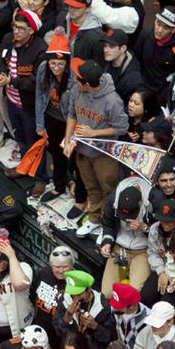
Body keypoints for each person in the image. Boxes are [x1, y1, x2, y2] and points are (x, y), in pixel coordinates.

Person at [63, 58, 128, 238]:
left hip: (104, 154)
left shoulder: (112, 100)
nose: (74, 81)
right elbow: (72, 114)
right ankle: (93, 219)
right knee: (91, 187)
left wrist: (93, 133)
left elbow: (122, 128)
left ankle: (107, 227)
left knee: (108, 189)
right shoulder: (77, 90)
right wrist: (68, 141)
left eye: (78, 79)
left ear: (87, 84)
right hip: (82, 150)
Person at [0, 10, 47, 153]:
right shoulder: (8, 39)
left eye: (21, 28)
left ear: (31, 31)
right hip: (11, 101)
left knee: (33, 142)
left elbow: (36, 82)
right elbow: (0, 60)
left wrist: (10, 81)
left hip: (29, 106)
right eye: (14, 26)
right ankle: (22, 167)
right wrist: (2, 73)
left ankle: (37, 174)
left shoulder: (40, 49)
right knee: (19, 136)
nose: (16, 31)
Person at [34, 32, 73, 202]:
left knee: (72, 155)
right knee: (56, 153)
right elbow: (39, 96)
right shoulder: (43, 68)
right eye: (53, 63)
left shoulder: (73, 76)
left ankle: (75, 185)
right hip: (52, 117)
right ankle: (59, 186)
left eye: (60, 64)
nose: (56, 67)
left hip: (69, 121)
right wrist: (40, 124)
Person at [100, 177, 152, 296]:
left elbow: (162, 232)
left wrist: (145, 228)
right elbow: (108, 224)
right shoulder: (114, 198)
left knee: (131, 292)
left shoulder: (153, 199)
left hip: (142, 251)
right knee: (107, 293)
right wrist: (107, 242)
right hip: (119, 249)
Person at [53, 270, 118, 349]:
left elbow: (110, 337)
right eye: (72, 294)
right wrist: (67, 317)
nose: (75, 298)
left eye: (79, 294)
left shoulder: (102, 306)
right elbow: (58, 332)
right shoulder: (64, 300)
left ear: (89, 290)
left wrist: (95, 326)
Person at [30, 245, 76, 349]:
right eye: (57, 267)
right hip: (39, 328)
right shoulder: (44, 273)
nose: (61, 271)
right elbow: (33, 294)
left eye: (65, 267)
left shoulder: (75, 282)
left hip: (60, 335)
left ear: (71, 266)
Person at [134, 7, 175, 98]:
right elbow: (136, 57)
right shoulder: (146, 33)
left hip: (163, 90)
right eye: (158, 24)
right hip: (142, 83)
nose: (159, 30)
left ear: (173, 30)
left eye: (165, 28)